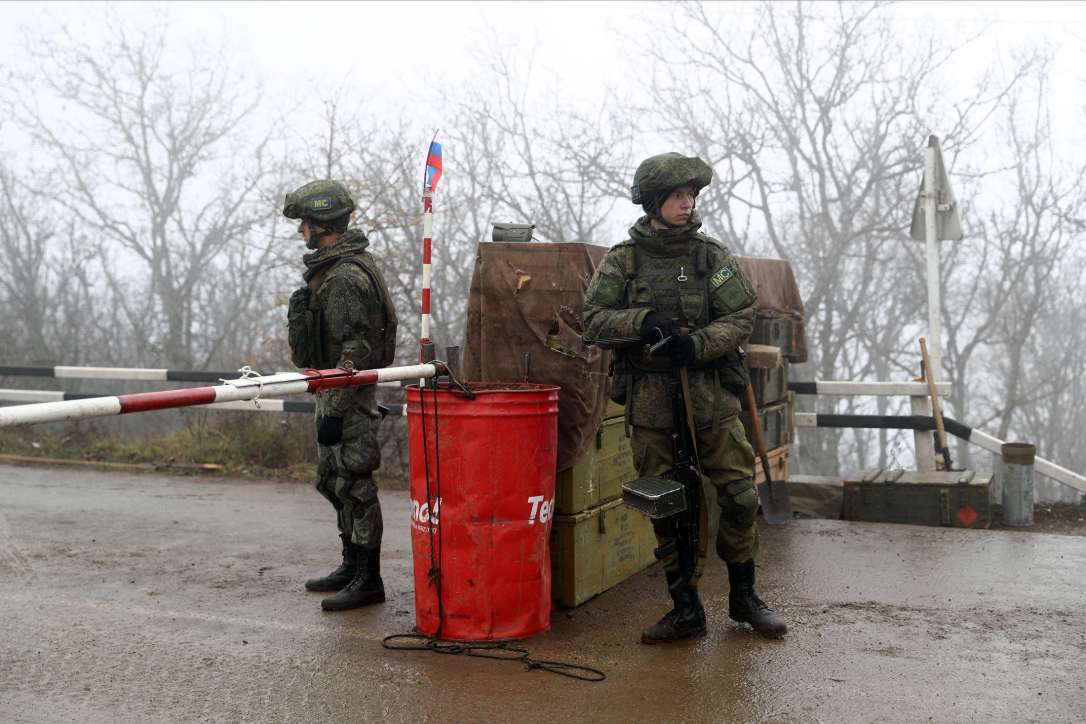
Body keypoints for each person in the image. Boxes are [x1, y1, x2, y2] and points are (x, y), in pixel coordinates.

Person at [582, 153, 787, 641]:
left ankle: (744, 597)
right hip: (653, 403)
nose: (686, 203)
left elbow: (741, 314)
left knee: (738, 497)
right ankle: (685, 607)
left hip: (711, 400)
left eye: (690, 195)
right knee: (667, 503)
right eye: (676, 195)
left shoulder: (709, 256)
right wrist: (642, 320)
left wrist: (696, 344)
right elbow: (593, 319)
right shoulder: (623, 260)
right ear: (653, 202)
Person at [283, 180, 398, 611]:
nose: (300, 232)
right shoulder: (333, 269)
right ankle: (351, 565)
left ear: (322, 225)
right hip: (334, 396)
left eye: (304, 224)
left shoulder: (346, 276)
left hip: (347, 399)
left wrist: (334, 409)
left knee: (355, 485)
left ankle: (369, 580)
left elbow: (355, 352)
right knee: (332, 482)